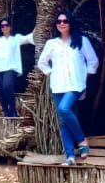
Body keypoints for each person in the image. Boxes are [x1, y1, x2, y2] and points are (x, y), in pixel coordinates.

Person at [37, 12, 99, 166]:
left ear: (70, 23)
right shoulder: (52, 43)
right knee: (64, 121)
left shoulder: (81, 41)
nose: (62, 23)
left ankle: (82, 141)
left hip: (75, 84)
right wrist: (51, 72)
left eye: (65, 21)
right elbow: (42, 62)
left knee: (64, 109)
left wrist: (86, 76)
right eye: (59, 21)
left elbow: (93, 61)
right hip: (58, 85)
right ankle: (70, 156)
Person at [0, 18, 35, 118]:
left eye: (6, 25)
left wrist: (35, 31)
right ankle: (6, 112)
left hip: (10, 68)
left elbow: (27, 38)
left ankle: (13, 109)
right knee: (1, 90)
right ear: (0, 28)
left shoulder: (15, 38)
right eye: (2, 26)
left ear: (10, 27)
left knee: (7, 86)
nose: (5, 27)